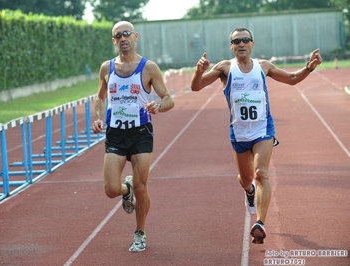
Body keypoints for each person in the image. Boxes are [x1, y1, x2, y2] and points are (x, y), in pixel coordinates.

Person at [190, 27, 322, 244]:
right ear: (231, 46)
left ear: (253, 44)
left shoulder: (263, 66)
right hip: (239, 132)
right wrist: (198, 70)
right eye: (236, 41)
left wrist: (309, 67)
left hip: (263, 129)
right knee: (246, 179)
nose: (241, 44)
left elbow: (291, 79)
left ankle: (260, 222)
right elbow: (196, 87)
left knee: (262, 174)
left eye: (245, 40)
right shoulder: (225, 68)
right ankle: (249, 191)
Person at [92, 21, 175, 252]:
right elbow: (99, 97)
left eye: (127, 33)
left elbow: (169, 98)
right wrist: (98, 117)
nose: (123, 38)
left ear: (135, 36)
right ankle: (124, 191)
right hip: (115, 134)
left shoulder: (148, 68)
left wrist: (159, 106)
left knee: (141, 186)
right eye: (118, 35)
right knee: (110, 189)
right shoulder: (106, 68)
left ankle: (139, 232)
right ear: (113, 41)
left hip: (140, 133)